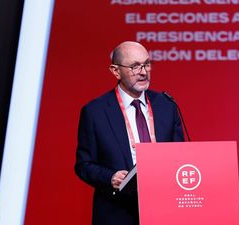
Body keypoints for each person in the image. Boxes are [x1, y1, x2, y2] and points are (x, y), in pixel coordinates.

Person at [74, 41, 184, 225]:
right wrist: (110, 177)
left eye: (146, 64)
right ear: (116, 71)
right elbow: (83, 165)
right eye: (134, 66)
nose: (143, 72)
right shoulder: (95, 112)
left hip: (163, 209)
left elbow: (181, 155)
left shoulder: (166, 105)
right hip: (117, 212)